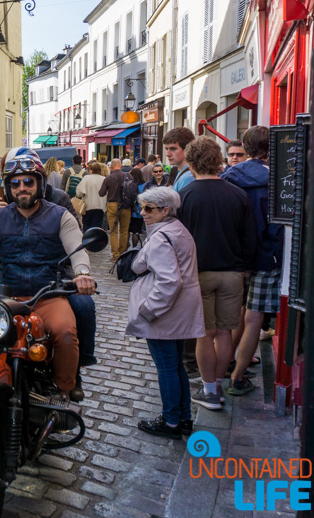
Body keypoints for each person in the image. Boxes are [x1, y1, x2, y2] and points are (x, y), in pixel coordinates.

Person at [0, 149, 95, 401]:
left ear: (40, 182)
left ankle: (64, 390)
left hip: (47, 292)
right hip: (7, 293)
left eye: (28, 181)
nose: (22, 188)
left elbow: (77, 250)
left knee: (66, 332)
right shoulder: (1, 218)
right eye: (15, 183)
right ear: (8, 188)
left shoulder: (61, 216)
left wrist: (82, 274)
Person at [178, 137, 257, 410]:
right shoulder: (237, 194)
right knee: (224, 333)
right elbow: (250, 239)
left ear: (191, 163)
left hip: (198, 273)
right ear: (217, 161)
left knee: (204, 334)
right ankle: (218, 386)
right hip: (232, 273)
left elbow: (177, 241)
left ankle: (210, 391)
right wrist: (243, 268)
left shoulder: (185, 196)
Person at [126, 187, 204, 439]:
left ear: (165, 210)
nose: (143, 213)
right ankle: (183, 418)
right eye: (142, 207)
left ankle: (171, 421)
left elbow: (170, 281)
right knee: (175, 365)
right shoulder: (176, 230)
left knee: (167, 368)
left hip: (165, 314)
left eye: (149, 208)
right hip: (179, 311)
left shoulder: (162, 237)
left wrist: (149, 311)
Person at [222, 126, 285, 396]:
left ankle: (227, 364)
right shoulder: (276, 180)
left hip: (235, 256)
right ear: (270, 149)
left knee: (238, 314)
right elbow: (277, 223)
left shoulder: (228, 177)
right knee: (254, 318)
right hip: (264, 256)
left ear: (245, 149)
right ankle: (237, 378)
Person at [98, 158, 130, 260]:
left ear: (111, 166)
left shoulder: (108, 178)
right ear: (120, 165)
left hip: (112, 204)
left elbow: (101, 193)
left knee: (113, 231)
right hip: (125, 205)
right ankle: (122, 252)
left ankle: (115, 254)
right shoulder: (128, 176)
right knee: (124, 230)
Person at [76, 161, 108, 231]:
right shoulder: (104, 179)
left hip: (88, 207)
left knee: (86, 226)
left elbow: (79, 192)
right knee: (96, 227)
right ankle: (95, 241)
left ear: (91, 170)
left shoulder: (86, 178)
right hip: (100, 207)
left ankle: (86, 241)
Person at [126, 168, 146, 248]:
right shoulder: (144, 185)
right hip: (139, 210)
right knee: (136, 231)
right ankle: (134, 247)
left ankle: (125, 245)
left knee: (126, 230)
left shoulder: (129, 184)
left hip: (129, 209)